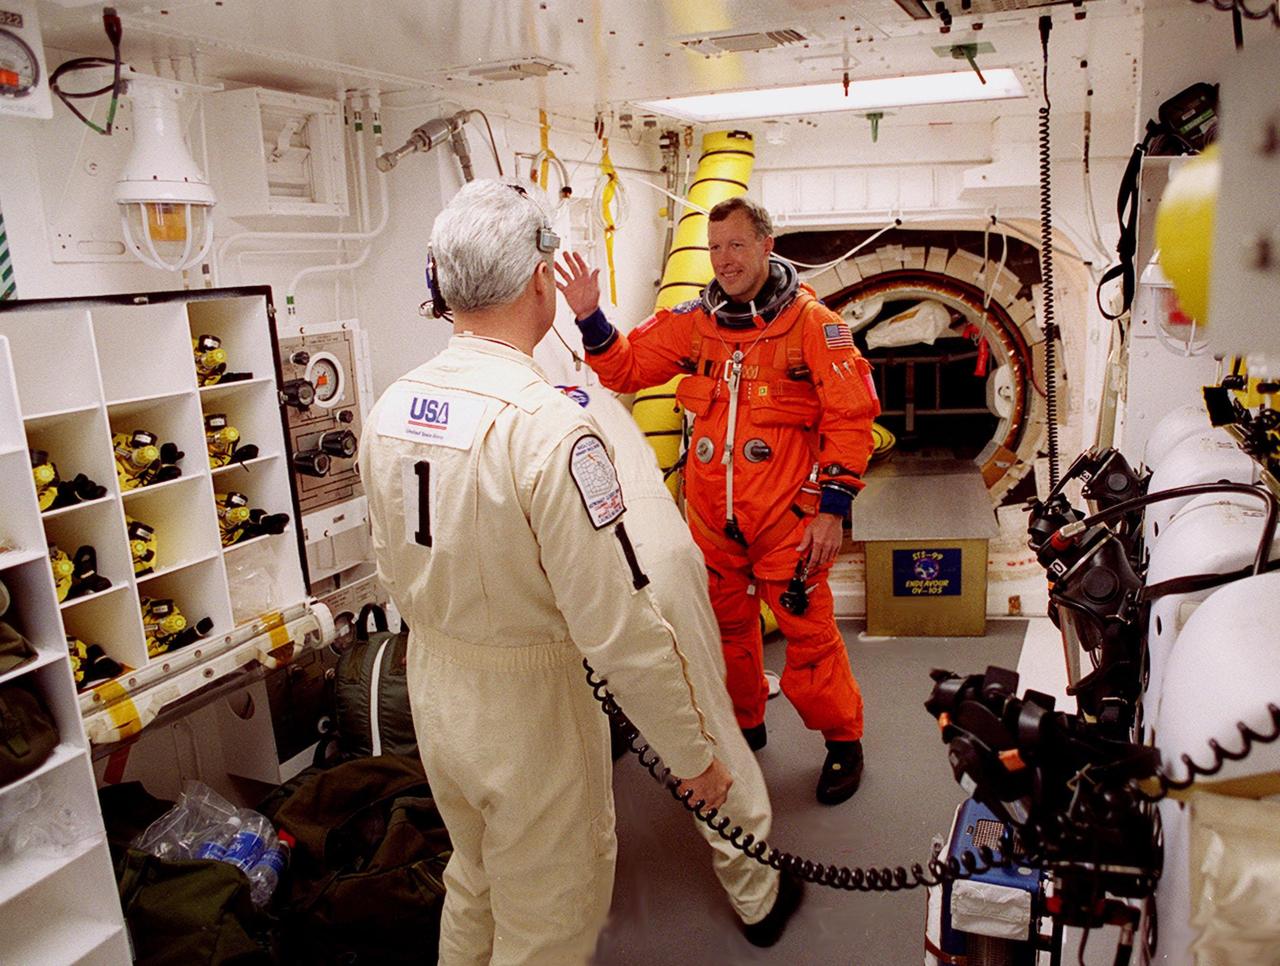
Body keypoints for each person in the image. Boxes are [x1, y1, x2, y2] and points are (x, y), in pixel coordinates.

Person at [360, 180, 791, 965]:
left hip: (439, 693)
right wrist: (694, 761)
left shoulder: (392, 407)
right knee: (549, 920)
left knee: (477, 881)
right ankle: (753, 883)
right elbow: (620, 630)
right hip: (530, 709)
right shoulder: (552, 428)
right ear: (537, 282)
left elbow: (390, 568)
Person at [556, 195, 881, 806]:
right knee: (724, 635)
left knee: (810, 639)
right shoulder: (696, 321)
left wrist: (832, 512)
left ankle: (843, 742)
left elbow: (851, 416)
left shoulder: (813, 326)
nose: (723, 260)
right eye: (714, 248)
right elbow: (624, 369)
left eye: (735, 245)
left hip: (788, 523)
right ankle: (745, 727)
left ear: (766, 245)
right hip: (712, 523)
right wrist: (590, 315)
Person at [571, 385, 803, 948]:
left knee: (566, 743)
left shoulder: (490, 408)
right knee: (703, 719)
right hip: (650, 557)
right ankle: (758, 895)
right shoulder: (592, 400)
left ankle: (571, 908)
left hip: (572, 572)